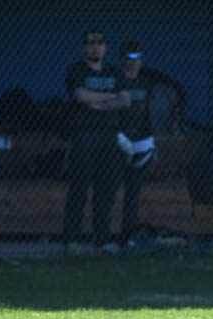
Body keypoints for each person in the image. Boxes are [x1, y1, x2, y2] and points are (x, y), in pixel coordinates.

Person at [62, 31, 129, 254]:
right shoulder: (76, 70)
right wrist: (110, 97)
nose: (95, 48)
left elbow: (125, 100)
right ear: (84, 48)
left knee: (105, 191)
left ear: (105, 48)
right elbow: (81, 96)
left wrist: (97, 103)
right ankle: (72, 240)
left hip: (110, 137)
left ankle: (102, 239)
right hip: (85, 136)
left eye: (99, 44)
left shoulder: (114, 72)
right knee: (79, 189)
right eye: (90, 44)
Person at [115, 40, 157, 249]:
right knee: (111, 186)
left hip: (140, 142)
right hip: (118, 140)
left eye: (137, 58)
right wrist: (118, 136)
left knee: (133, 190)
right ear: (122, 59)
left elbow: (149, 114)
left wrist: (150, 141)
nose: (133, 62)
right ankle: (105, 235)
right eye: (128, 58)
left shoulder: (146, 84)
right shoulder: (117, 81)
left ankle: (129, 234)